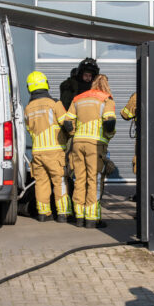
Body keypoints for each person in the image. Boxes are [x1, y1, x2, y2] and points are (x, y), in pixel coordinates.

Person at [64, 74, 116, 228]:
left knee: (79, 179)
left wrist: (75, 134)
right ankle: (92, 219)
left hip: (78, 143)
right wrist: (109, 136)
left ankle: (79, 217)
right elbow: (109, 122)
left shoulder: (79, 98)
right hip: (95, 144)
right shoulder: (106, 99)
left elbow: (67, 122)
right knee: (94, 179)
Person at [24, 71, 72, 223]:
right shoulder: (54, 104)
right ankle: (63, 214)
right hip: (55, 151)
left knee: (41, 183)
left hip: (37, 152)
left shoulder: (28, 108)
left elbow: (29, 129)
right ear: (46, 84)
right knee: (60, 182)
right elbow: (67, 123)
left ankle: (44, 214)